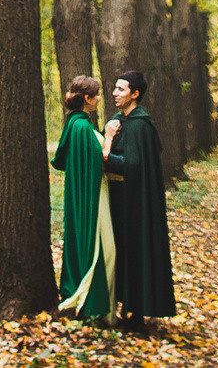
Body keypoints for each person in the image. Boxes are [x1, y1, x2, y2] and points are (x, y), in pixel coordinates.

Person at [102, 69, 176, 334]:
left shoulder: (141, 125)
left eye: (121, 89)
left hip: (134, 202)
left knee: (135, 251)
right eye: (115, 88)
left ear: (135, 94)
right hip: (114, 199)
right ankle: (121, 306)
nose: (114, 93)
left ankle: (136, 313)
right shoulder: (116, 119)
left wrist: (107, 148)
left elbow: (131, 165)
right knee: (118, 252)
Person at [50, 74, 116, 320]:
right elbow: (98, 163)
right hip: (94, 199)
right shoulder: (80, 127)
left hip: (94, 196)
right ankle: (93, 306)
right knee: (107, 251)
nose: (99, 98)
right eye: (96, 95)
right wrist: (107, 138)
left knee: (109, 251)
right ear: (87, 99)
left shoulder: (77, 124)